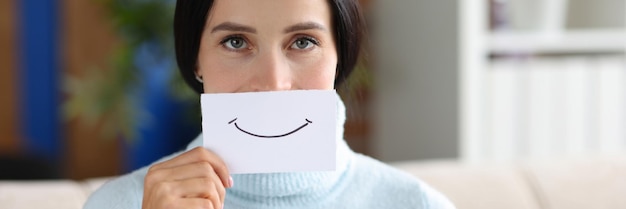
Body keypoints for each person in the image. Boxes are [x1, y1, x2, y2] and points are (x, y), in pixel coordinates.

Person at [84, 0, 456, 208]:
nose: (273, 83)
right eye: (235, 42)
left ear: (339, 55)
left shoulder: (417, 205)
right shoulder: (119, 205)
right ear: (196, 59)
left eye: (303, 42)